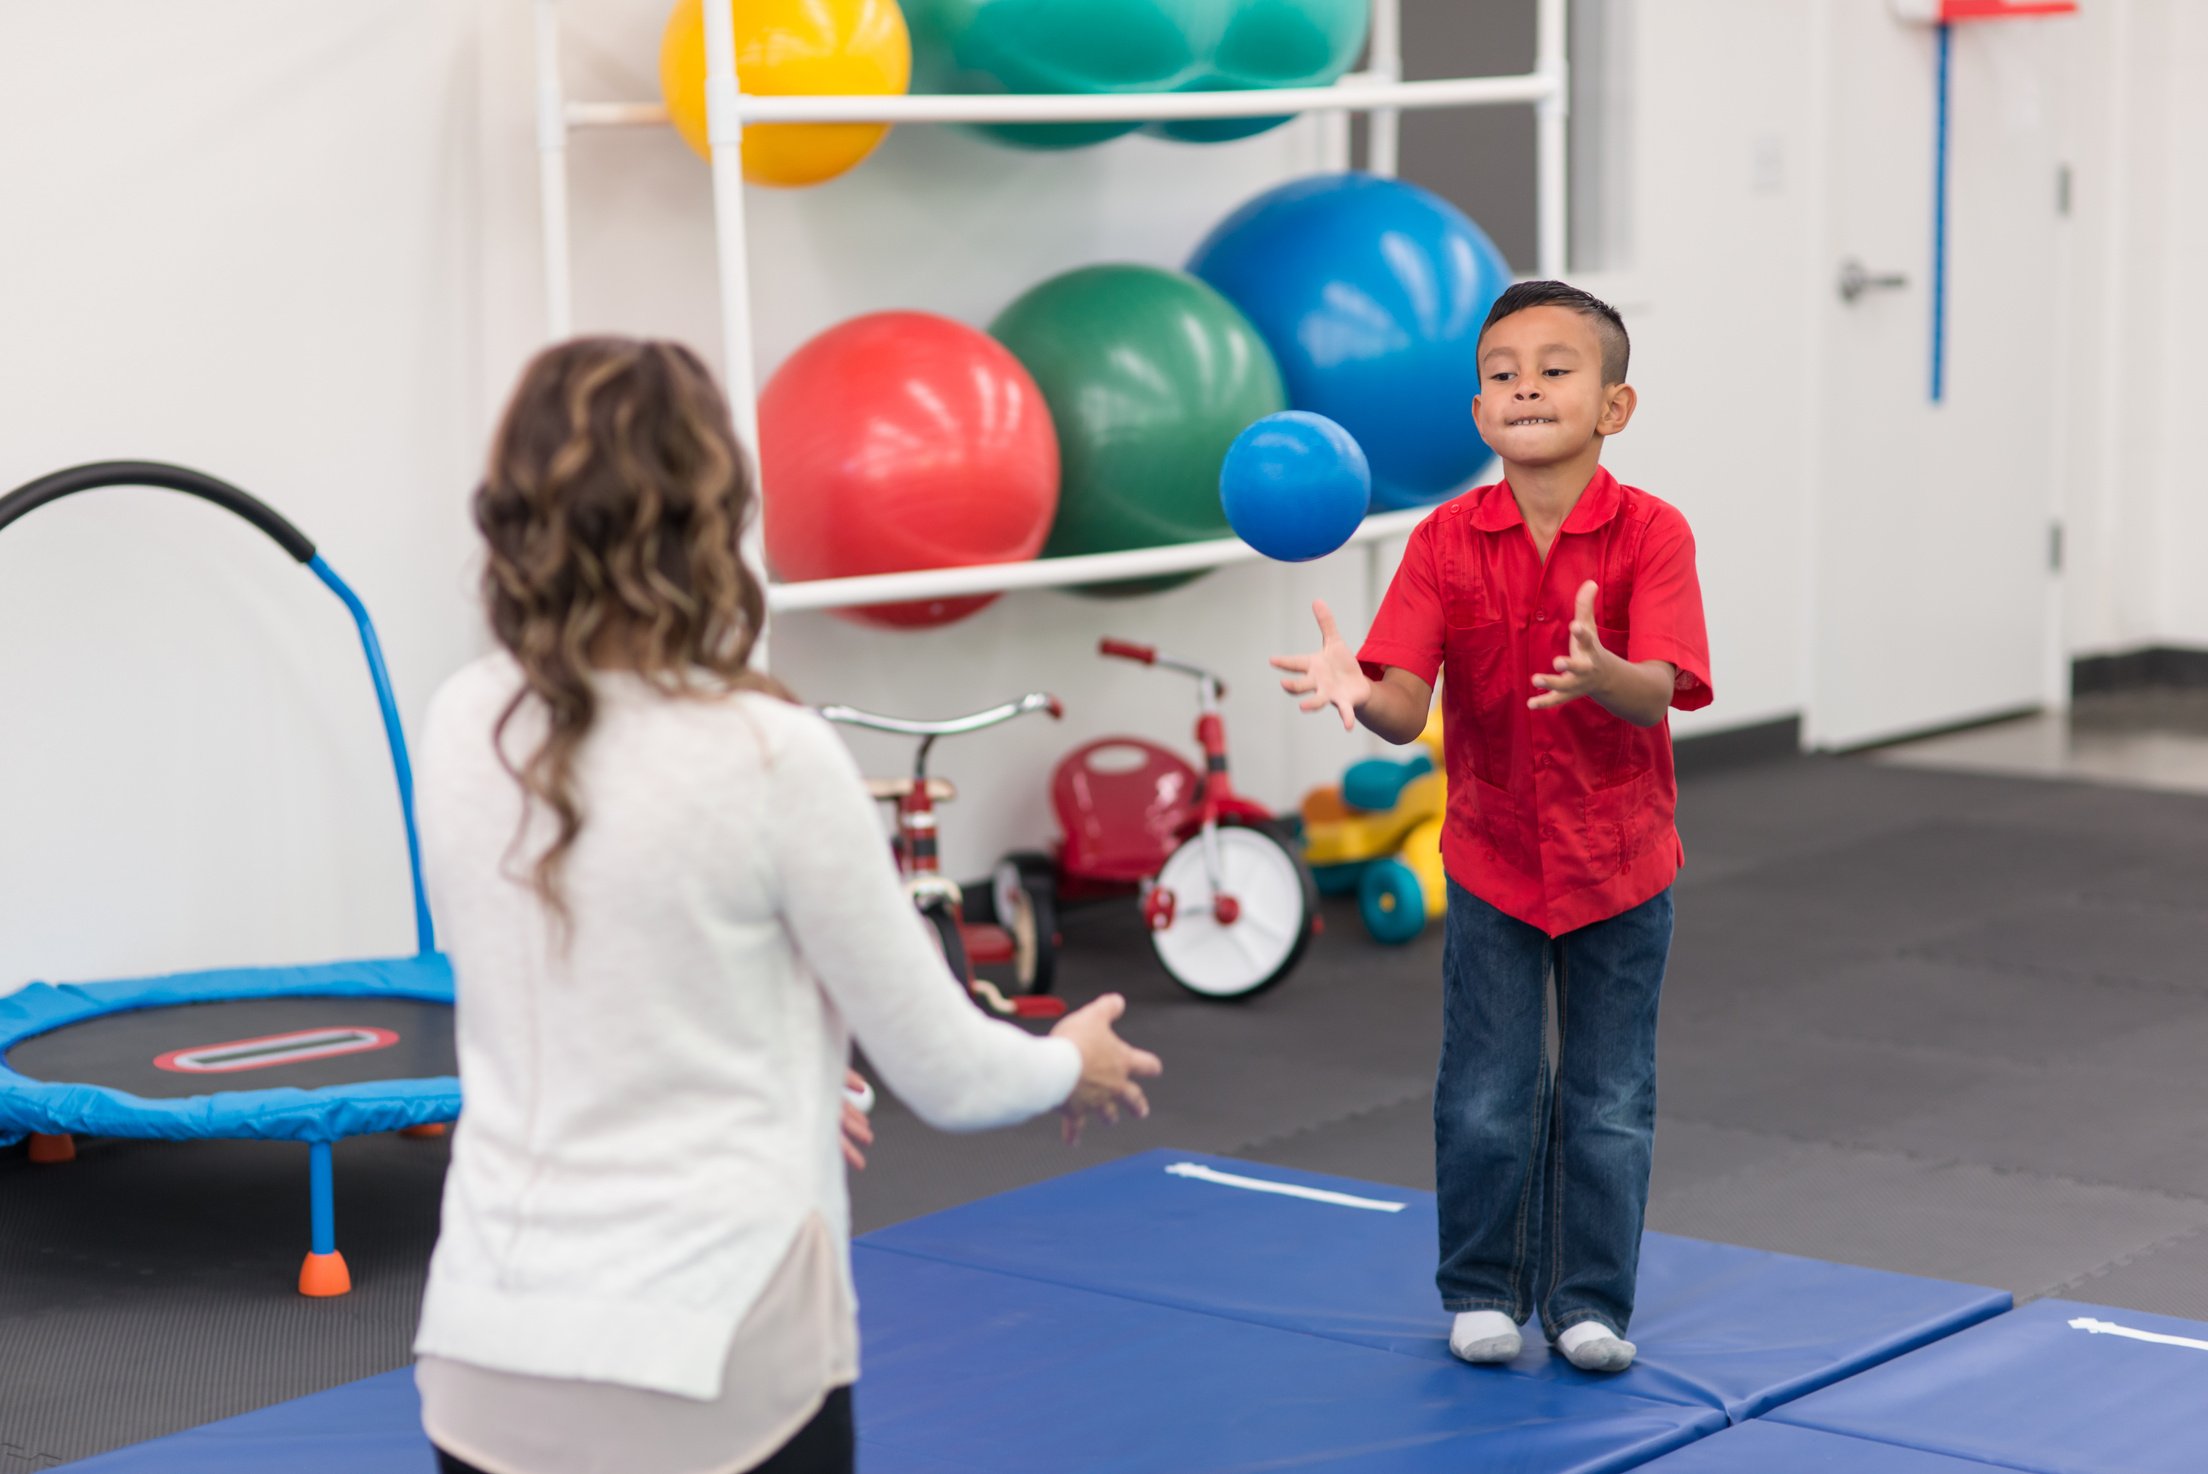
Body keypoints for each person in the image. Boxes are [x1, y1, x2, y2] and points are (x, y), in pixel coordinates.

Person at [411, 336, 1161, 1474]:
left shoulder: (464, 720)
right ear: (713, 514)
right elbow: (952, 1074)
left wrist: (799, 1076)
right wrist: (1072, 1061)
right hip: (715, 1370)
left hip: (485, 1362)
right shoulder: (768, 752)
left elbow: (595, 985)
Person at [1273, 281, 1711, 1374]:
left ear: (1615, 405)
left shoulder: (1654, 532)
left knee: (1610, 1099)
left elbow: (1660, 689)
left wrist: (1606, 672)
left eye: (1556, 368)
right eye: (1503, 371)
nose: (1526, 385)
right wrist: (1350, 688)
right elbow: (1399, 706)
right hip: (1493, 861)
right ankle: (1481, 1288)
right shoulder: (1443, 540)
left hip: (1622, 863)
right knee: (1484, 1092)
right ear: (1479, 414)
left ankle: (1589, 1301)